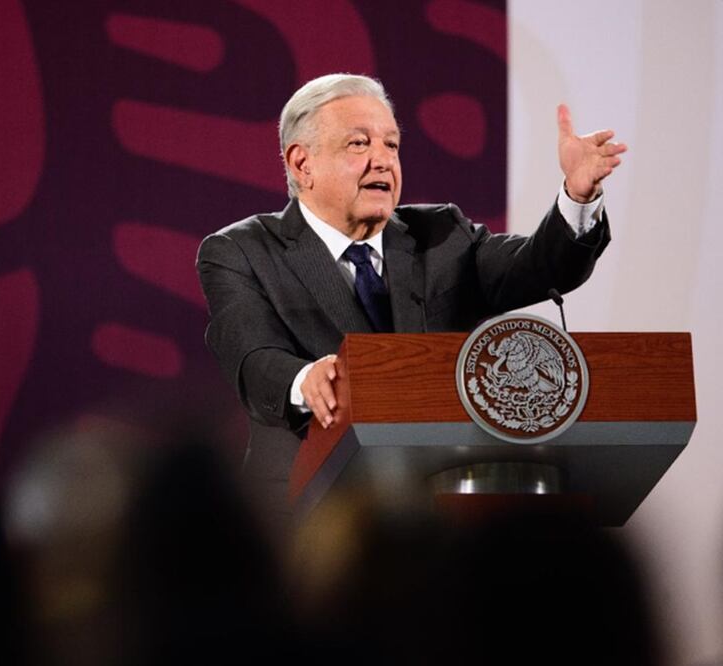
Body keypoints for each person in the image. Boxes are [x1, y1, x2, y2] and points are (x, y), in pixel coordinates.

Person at [196, 74, 624, 512]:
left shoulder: (441, 234)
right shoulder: (241, 251)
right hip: (310, 516)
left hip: (438, 510)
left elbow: (539, 267)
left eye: (391, 145)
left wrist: (578, 195)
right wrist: (304, 380)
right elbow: (252, 357)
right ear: (302, 164)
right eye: (359, 144)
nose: (382, 161)